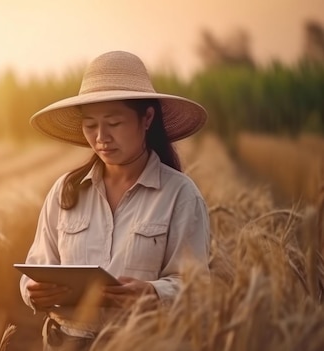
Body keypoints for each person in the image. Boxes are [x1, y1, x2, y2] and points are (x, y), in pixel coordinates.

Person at [19, 51, 211, 351]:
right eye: (91, 125)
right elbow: (38, 266)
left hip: (141, 342)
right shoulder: (66, 191)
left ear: (146, 118)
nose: (101, 138)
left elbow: (197, 288)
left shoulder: (180, 196)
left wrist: (153, 293)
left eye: (114, 123)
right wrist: (34, 292)